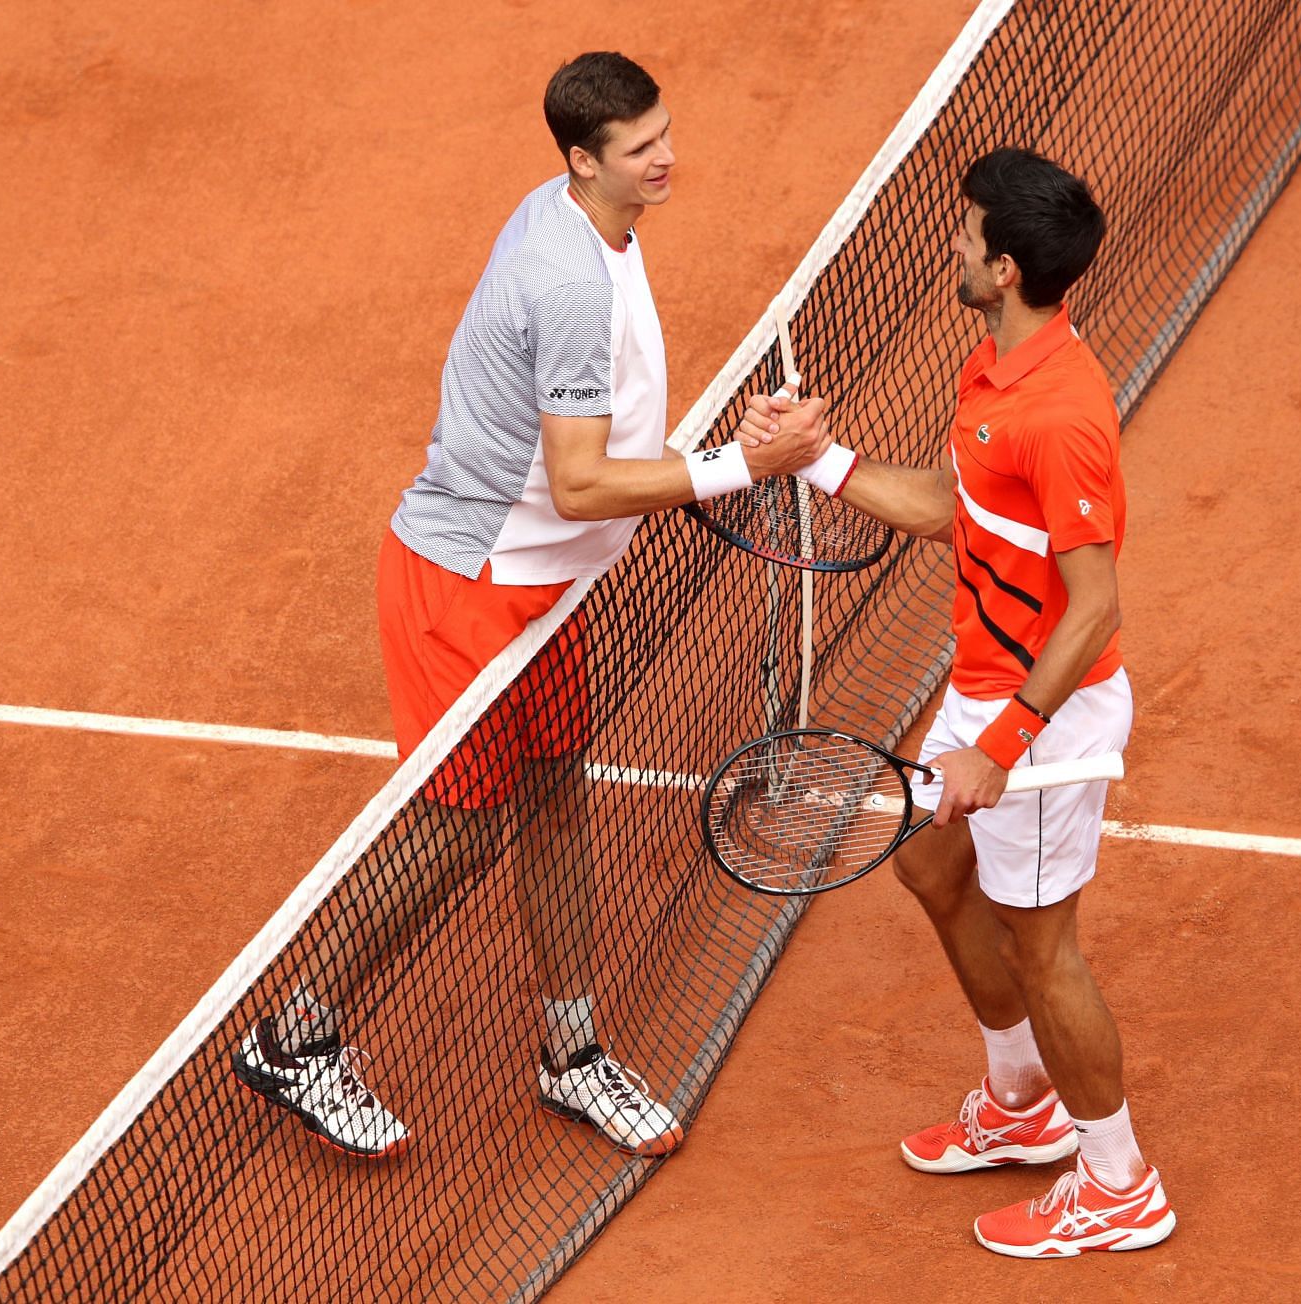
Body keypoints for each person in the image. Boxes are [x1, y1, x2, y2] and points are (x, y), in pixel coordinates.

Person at [232, 51, 828, 1160]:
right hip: (469, 584)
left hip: (549, 585)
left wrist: (711, 456)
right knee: (458, 831)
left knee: (556, 797)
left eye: (664, 133)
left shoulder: (587, 218)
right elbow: (581, 480)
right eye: (643, 147)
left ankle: (571, 1052)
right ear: (579, 159)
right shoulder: (567, 278)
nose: (667, 157)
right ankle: (296, 1032)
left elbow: (597, 451)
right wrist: (737, 468)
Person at [752, 147, 1174, 1256]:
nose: (950, 241)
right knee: (932, 864)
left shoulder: (1061, 413)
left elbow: (1092, 602)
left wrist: (1006, 740)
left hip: (1043, 713)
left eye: (964, 230)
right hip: (984, 680)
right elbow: (953, 504)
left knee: (1047, 951)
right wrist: (818, 460)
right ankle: (1021, 1100)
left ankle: (1120, 1177)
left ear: (1002, 265)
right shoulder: (993, 374)